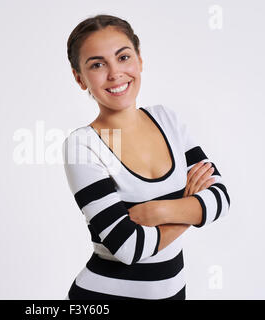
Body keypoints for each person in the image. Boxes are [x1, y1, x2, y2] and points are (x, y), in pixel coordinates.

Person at [62, 14, 231, 300]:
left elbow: (222, 198)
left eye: (123, 57)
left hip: (174, 292)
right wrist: (190, 208)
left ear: (139, 59)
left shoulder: (168, 120)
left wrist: (158, 212)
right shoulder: (82, 145)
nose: (115, 73)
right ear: (80, 78)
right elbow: (129, 247)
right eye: (97, 64)